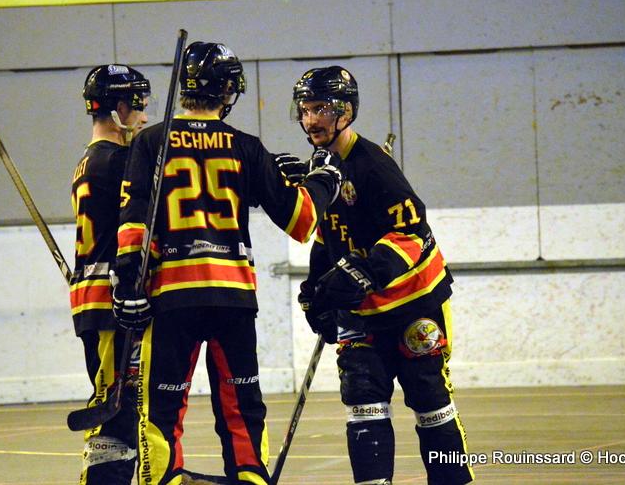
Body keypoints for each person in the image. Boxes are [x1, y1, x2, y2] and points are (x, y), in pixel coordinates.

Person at [110, 41, 343, 485]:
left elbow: (134, 222)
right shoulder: (246, 147)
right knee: (242, 406)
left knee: (163, 408)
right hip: (232, 297)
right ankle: (251, 477)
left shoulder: (151, 141)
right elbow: (301, 221)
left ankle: (162, 479)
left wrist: (127, 285)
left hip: (172, 297)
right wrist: (320, 181)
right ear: (228, 91)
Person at [288, 66, 474, 485]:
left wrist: (364, 273)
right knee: (363, 403)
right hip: (362, 311)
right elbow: (328, 235)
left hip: (414, 303)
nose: (311, 119)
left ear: (346, 111)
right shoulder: (322, 167)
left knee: (430, 401)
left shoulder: (373, 165)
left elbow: (411, 233)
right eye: (305, 110)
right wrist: (315, 291)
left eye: (321, 109)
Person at [70, 64, 150, 484]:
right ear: (119, 109)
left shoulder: (89, 160)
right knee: (114, 410)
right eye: (138, 107)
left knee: (124, 406)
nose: (144, 117)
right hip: (110, 303)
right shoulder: (118, 161)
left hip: (94, 300)